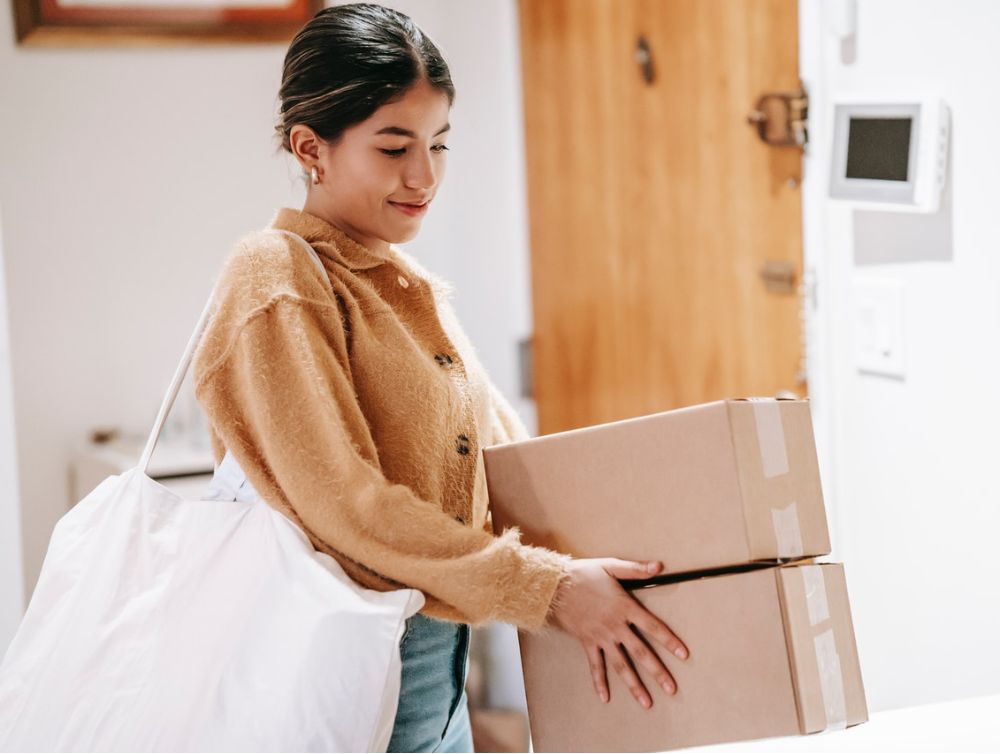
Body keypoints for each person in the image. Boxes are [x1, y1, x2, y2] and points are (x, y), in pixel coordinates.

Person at [192, 3, 689, 752]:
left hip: (437, 661)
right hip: (346, 664)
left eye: (439, 143)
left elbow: (506, 459)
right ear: (310, 148)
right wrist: (550, 588)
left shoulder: (403, 283)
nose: (424, 175)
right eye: (394, 147)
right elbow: (346, 506)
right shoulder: (275, 275)